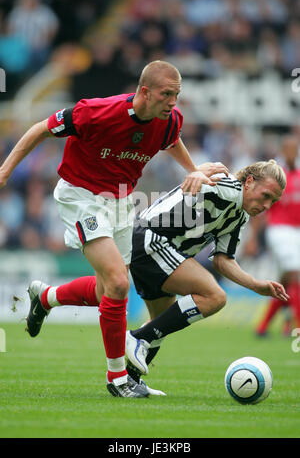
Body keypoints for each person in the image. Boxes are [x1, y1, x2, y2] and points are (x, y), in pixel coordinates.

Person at [0, 60, 228, 398]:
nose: (173, 102)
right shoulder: (96, 112)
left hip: (121, 202)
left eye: (177, 95)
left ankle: (45, 297)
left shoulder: (169, 121)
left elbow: (172, 139)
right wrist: (4, 173)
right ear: (145, 92)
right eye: (167, 94)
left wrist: (193, 169)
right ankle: (118, 379)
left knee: (111, 288)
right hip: (81, 196)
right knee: (119, 283)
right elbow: (40, 129)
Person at [123, 159, 289, 390]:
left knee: (161, 321)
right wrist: (198, 171)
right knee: (214, 297)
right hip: (151, 239)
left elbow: (223, 260)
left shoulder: (239, 216)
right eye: (266, 195)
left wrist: (255, 285)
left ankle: (128, 382)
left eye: (273, 201)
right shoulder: (228, 187)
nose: (267, 205)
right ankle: (138, 337)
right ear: (249, 182)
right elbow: (196, 181)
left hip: (155, 248)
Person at [256, 135, 300, 336]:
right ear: (283, 150)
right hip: (279, 230)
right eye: (289, 148)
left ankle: (263, 327)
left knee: (285, 281)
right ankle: (297, 327)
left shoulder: (299, 173)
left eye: (295, 148)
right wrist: (252, 238)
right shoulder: (276, 176)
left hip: (296, 231)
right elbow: (260, 205)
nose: (292, 152)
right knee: (295, 276)